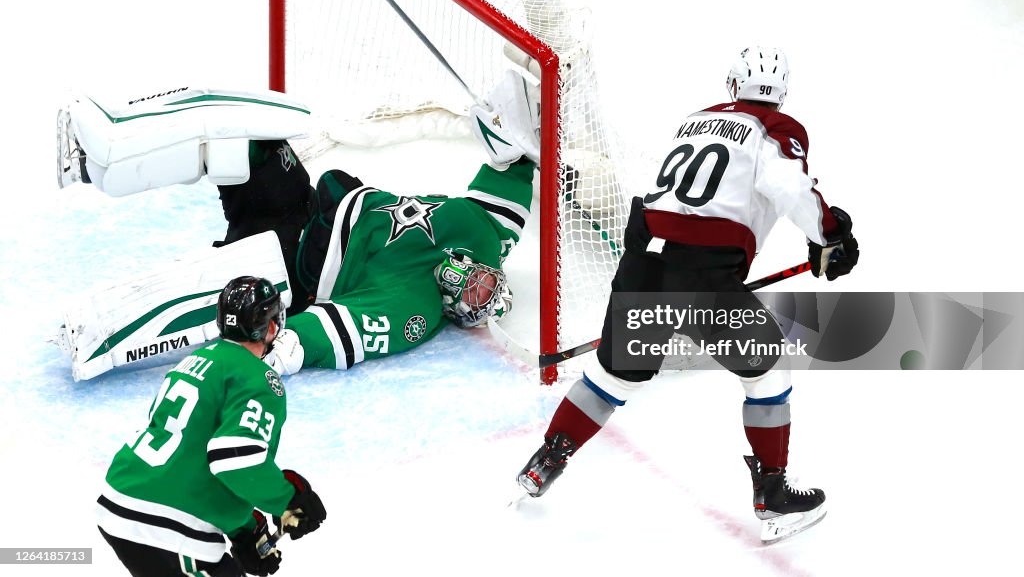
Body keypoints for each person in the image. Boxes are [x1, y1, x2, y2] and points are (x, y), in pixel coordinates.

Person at [515, 47, 859, 543]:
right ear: (781, 94)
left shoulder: (696, 120)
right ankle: (773, 494)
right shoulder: (780, 129)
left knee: (616, 373)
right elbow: (789, 186)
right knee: (765, 368)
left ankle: (547, 460)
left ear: (732, 86)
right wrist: (830, 235)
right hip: (703, 272)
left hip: (643, 259)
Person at [56, 71, 540, 381]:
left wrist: (283, 349)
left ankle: (91, 333)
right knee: (246, 137)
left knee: (193, 294)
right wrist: (517, 115)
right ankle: (97, 154)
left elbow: (337, 333)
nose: (473, 281)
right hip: (306, 207)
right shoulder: (486, 234)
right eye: (486, 279)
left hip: (286, 267)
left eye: (474, 297)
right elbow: (514, 164)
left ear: (458, 312)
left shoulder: (414, 312)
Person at [96, 276, 327, 576]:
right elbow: (233, 458)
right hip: (168, 524)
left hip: (122, 499)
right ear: (271, 327)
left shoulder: (194, 362)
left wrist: (243, 527)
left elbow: (191, 450)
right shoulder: (260, 379)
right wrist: (288, 499)